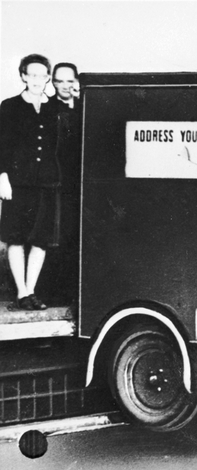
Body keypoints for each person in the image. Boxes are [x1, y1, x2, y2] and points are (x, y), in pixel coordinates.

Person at [0, 54, 61, 311]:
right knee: (16, 237)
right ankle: (22, 292)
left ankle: (32, 290)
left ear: (48, 78)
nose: (37, 80)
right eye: (32, 74)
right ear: (23, 76)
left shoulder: (54, 108)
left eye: (42, 75)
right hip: (18, 182)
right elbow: (2, 145)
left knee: (40, 239)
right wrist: (2, 177)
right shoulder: (9, 106)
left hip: (47, 182)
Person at [43, 62, 82, 306]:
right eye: (60, 81)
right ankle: (54, 294)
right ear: (53, 83)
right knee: (57, 235)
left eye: (70, 80)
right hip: (57, 182)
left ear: (77, 81)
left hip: (82, 182)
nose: (65, 85)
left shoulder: (86, 106)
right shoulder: (47, 109)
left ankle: (76, 293)